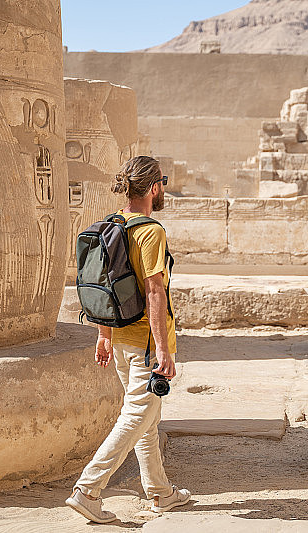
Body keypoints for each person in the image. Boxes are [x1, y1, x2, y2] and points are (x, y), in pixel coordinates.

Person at [66, 156, 190, 524]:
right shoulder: (150, 231)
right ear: (154, 187)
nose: (162, 189)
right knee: (136, 414)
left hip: (119, 340)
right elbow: (154, 292)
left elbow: (105, 286)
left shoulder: (111, 226)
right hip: (146, 345)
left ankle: (160, 493)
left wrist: (103, 336)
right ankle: (88, 489)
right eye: (162, 183)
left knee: (147, 422)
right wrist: (163, 350)